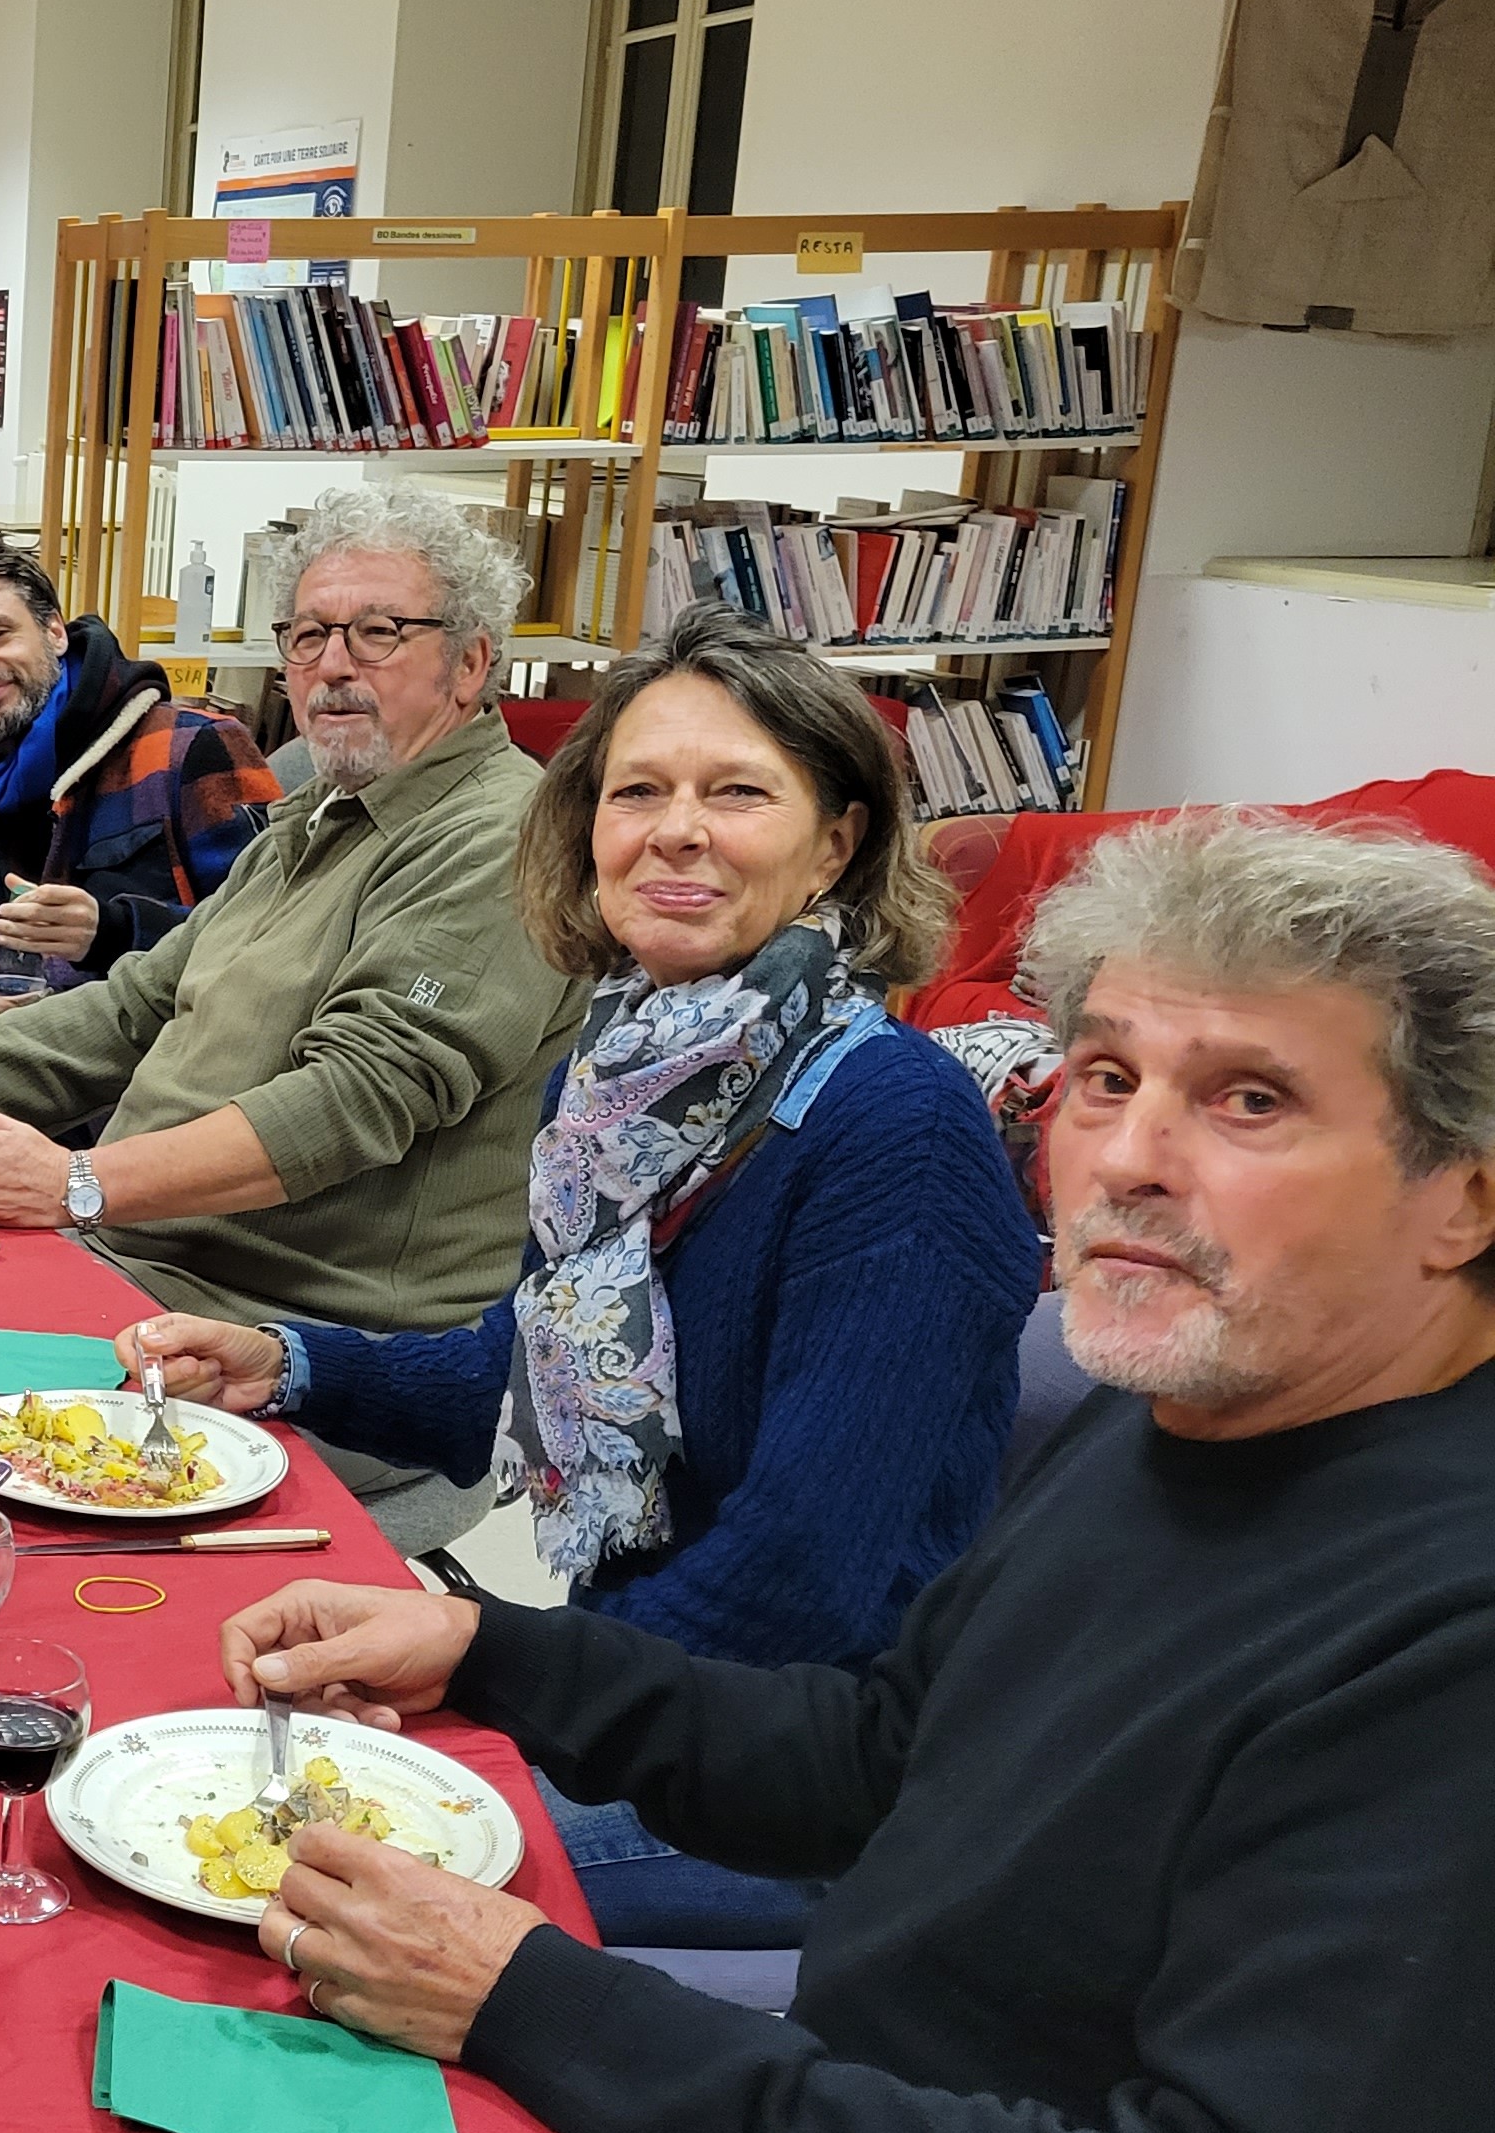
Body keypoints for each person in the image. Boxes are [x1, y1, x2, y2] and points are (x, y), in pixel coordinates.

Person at [221, 810, 1495, 2133]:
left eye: (1249, 1103)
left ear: (1464, 1190)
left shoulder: (1447, 1631)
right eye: (1106, 1073)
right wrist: (488, 1650)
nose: (1126, 1158)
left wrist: (534, 1996)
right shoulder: (1185, 1418)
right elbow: (881, 1762)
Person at [120, 617, 1035, 1945]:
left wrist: (492, 1674)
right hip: (646, 1692)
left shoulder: (895, 1129)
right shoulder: (634, 1074)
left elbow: (799, 1587)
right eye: (637, 792)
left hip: (805, 1784)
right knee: (193, 1749)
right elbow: (543, 1355)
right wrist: (295, 1362)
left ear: (836, 843)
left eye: (737, 792)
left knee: (247, 1874)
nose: (675, 830)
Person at [0, 480, 588, 1549]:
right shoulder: (321, 816)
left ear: (472, 662)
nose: (333, 665)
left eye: (378, 633)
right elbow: (135, 1004)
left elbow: (354, 1100)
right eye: (308, 636)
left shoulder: (496, 841)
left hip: (296, 1328)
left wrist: (79, 1182)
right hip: (139, 1264)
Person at [0, 539, 279, 1040]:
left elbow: (276, 939)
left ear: (54, 632)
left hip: (159, 1095)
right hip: (5, 1093)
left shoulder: (189, 749)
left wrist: (112, 931)